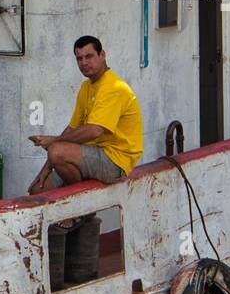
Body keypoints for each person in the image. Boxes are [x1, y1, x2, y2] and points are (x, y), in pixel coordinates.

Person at [28, 35, 143, 192]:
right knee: (37, 189)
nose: (84, 63)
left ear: (102, 55)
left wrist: (54, 141)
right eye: (79, 58)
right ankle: (73, 211)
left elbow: (94, 130)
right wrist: (46, 168)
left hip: (115, 161)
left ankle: (81, 207)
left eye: (89, 56)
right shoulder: (86, 87)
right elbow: (72, 128)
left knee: (57, 152)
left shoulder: (114, 87)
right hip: (91, 154)